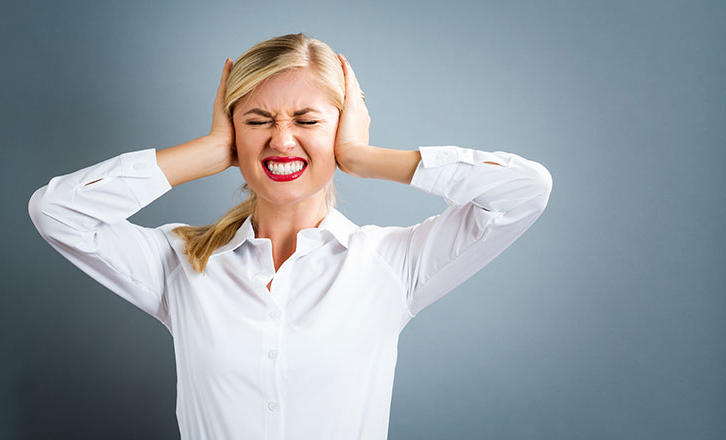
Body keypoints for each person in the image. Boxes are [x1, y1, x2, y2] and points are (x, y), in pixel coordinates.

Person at [28, 32, 553, 440]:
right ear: (233, 131)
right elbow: (57, 213)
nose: (282, 140)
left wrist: (364, 159)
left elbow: (523, 191)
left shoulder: (391, 263)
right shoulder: (181, 262)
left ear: (342, 128)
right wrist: (206, 151)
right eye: (258, 120)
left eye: (307, 119)